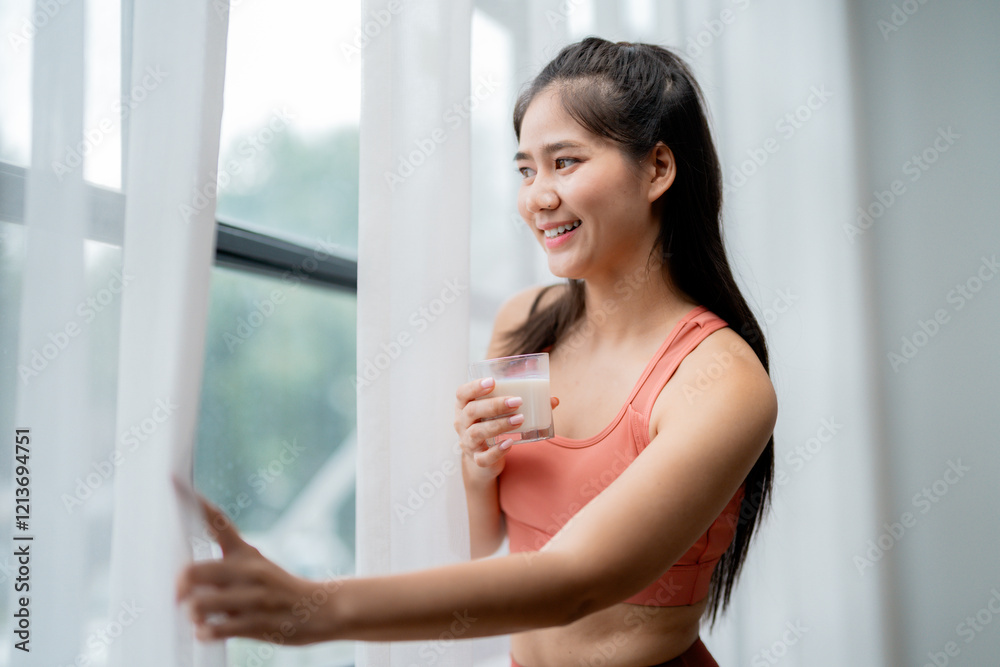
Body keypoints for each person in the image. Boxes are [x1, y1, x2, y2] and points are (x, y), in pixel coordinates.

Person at [176, 37, 778, 667]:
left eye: (565, 162)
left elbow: (577, 581)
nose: (537, 198)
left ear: (657, 168)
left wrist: (318, 609)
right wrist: (476, 467)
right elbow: (480, 538)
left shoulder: (721, 381)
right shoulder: (527, 323)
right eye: (526, 169)